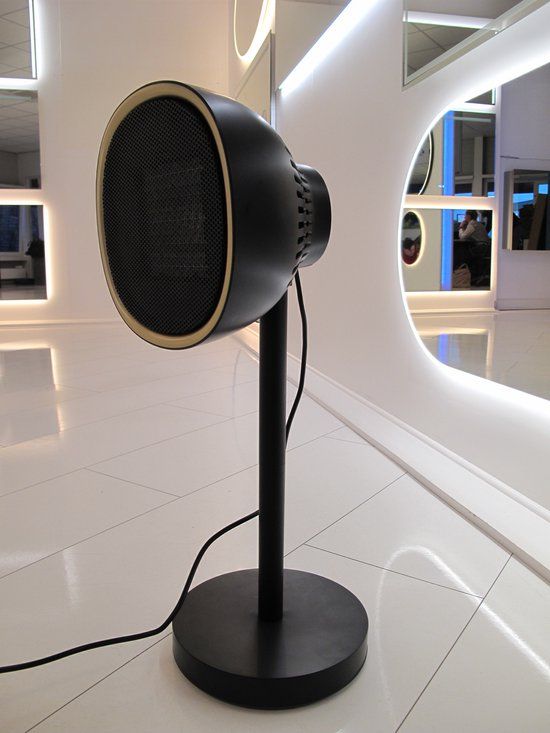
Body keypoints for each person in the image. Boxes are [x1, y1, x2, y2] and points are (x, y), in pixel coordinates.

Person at [457, 210, 491, 286]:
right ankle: (473, 277)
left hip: (480, 248)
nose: (464, 217)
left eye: (465, 215)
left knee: (462, 254)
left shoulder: (472, 224)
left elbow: (462, 237)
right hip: (485, 247)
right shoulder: (478, 224)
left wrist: (461, 227)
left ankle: (465, 276)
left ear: (469, 216)